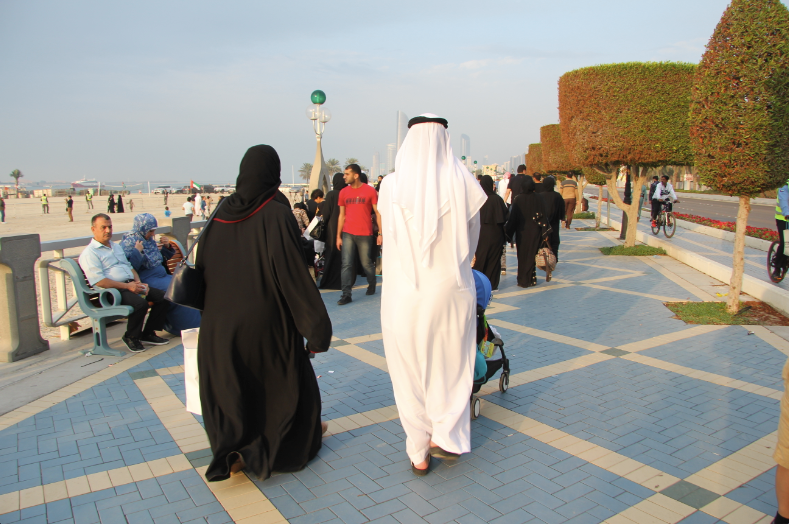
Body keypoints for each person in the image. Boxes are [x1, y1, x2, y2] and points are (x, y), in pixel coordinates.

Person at [196, 144, 332, 482]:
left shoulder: (220, 213)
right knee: (283, 381)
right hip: (263, 323)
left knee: (233, 389)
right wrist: (316, 331)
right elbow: (292, 278)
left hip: (218, 327)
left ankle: (235, 451)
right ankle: (286, 443)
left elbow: (203, 268)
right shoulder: (275, 214)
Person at [379, 114, 486, 475]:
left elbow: (388, 241)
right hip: (451, 291)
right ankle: (445, 433)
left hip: (403, 294)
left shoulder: (390, 186)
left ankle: (418, 452)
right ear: (444, 138)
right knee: (450, 365)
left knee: (407, 371)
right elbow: (472, 241)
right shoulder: (464, 182)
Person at [78, 213, 169, 352]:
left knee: (163, 297)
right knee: (140, 304)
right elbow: (100, 281)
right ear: (93, 229)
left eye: (110, 227)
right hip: (112, 291)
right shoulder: (90, 253)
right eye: (103, 228)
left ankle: (148, 333)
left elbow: (129, 267)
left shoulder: (115, 247)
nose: (108, 231)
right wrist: (128, 286)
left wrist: (138, 282)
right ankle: (131, 337)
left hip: (129, 285)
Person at [119, 213, 201, 336]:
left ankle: (198, 322)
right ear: (142, 228)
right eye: (150, 231)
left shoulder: (148, 240)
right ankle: (183, 326)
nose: (153, 234)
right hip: (148, 279)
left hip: (161, 276)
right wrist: (137, 252)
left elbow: (159, 260)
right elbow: (130, 268)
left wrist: (167, 247)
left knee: (189, 284)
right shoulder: (129, 243)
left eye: (154, 231)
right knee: (177, 289)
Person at [336, 164, 381, 305]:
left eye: (347, 174)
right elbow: (341, 215)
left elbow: (378, 212)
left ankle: (372, 282)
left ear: (356, 175)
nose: (344, 176)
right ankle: (346, 294)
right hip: (347, 232)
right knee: (346, 264)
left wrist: (380, 233)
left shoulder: (370, 191)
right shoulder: (343, 192)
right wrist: (338, 236)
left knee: (366, 263)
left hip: (365, 233)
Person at [505, 178, 550, 288]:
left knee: (522, 256)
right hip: (535, 231)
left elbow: (513, 218)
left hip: (522, 232)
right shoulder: (539, 198)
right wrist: (545, 233)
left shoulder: (518, 199)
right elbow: (544, 216)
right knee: (531, 255)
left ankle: (522, 280)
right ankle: (530, 279)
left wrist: (507, 233)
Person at [473, 175, 508, 290]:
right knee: (494, 259)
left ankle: (478, 283)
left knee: (481, 258)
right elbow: (505, 217)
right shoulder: (497, 199)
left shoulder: (477, 199)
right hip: (496, 234)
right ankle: (492, 284)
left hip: (480, 234)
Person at [317, 173, 347, 290]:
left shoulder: (331, 194)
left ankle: (329, 281)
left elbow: (327, 214)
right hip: (345, 227)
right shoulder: (346, 193)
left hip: (332, 228)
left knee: (331, 253)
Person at [541, 177, 565, 260]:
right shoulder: (557, 196)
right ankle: (554, 258)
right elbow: (562, 210)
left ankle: (543, 258)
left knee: (543, 241)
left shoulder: (540, 196)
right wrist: (562, 218)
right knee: (554, 241)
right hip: (554, 223)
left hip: (543, 224)